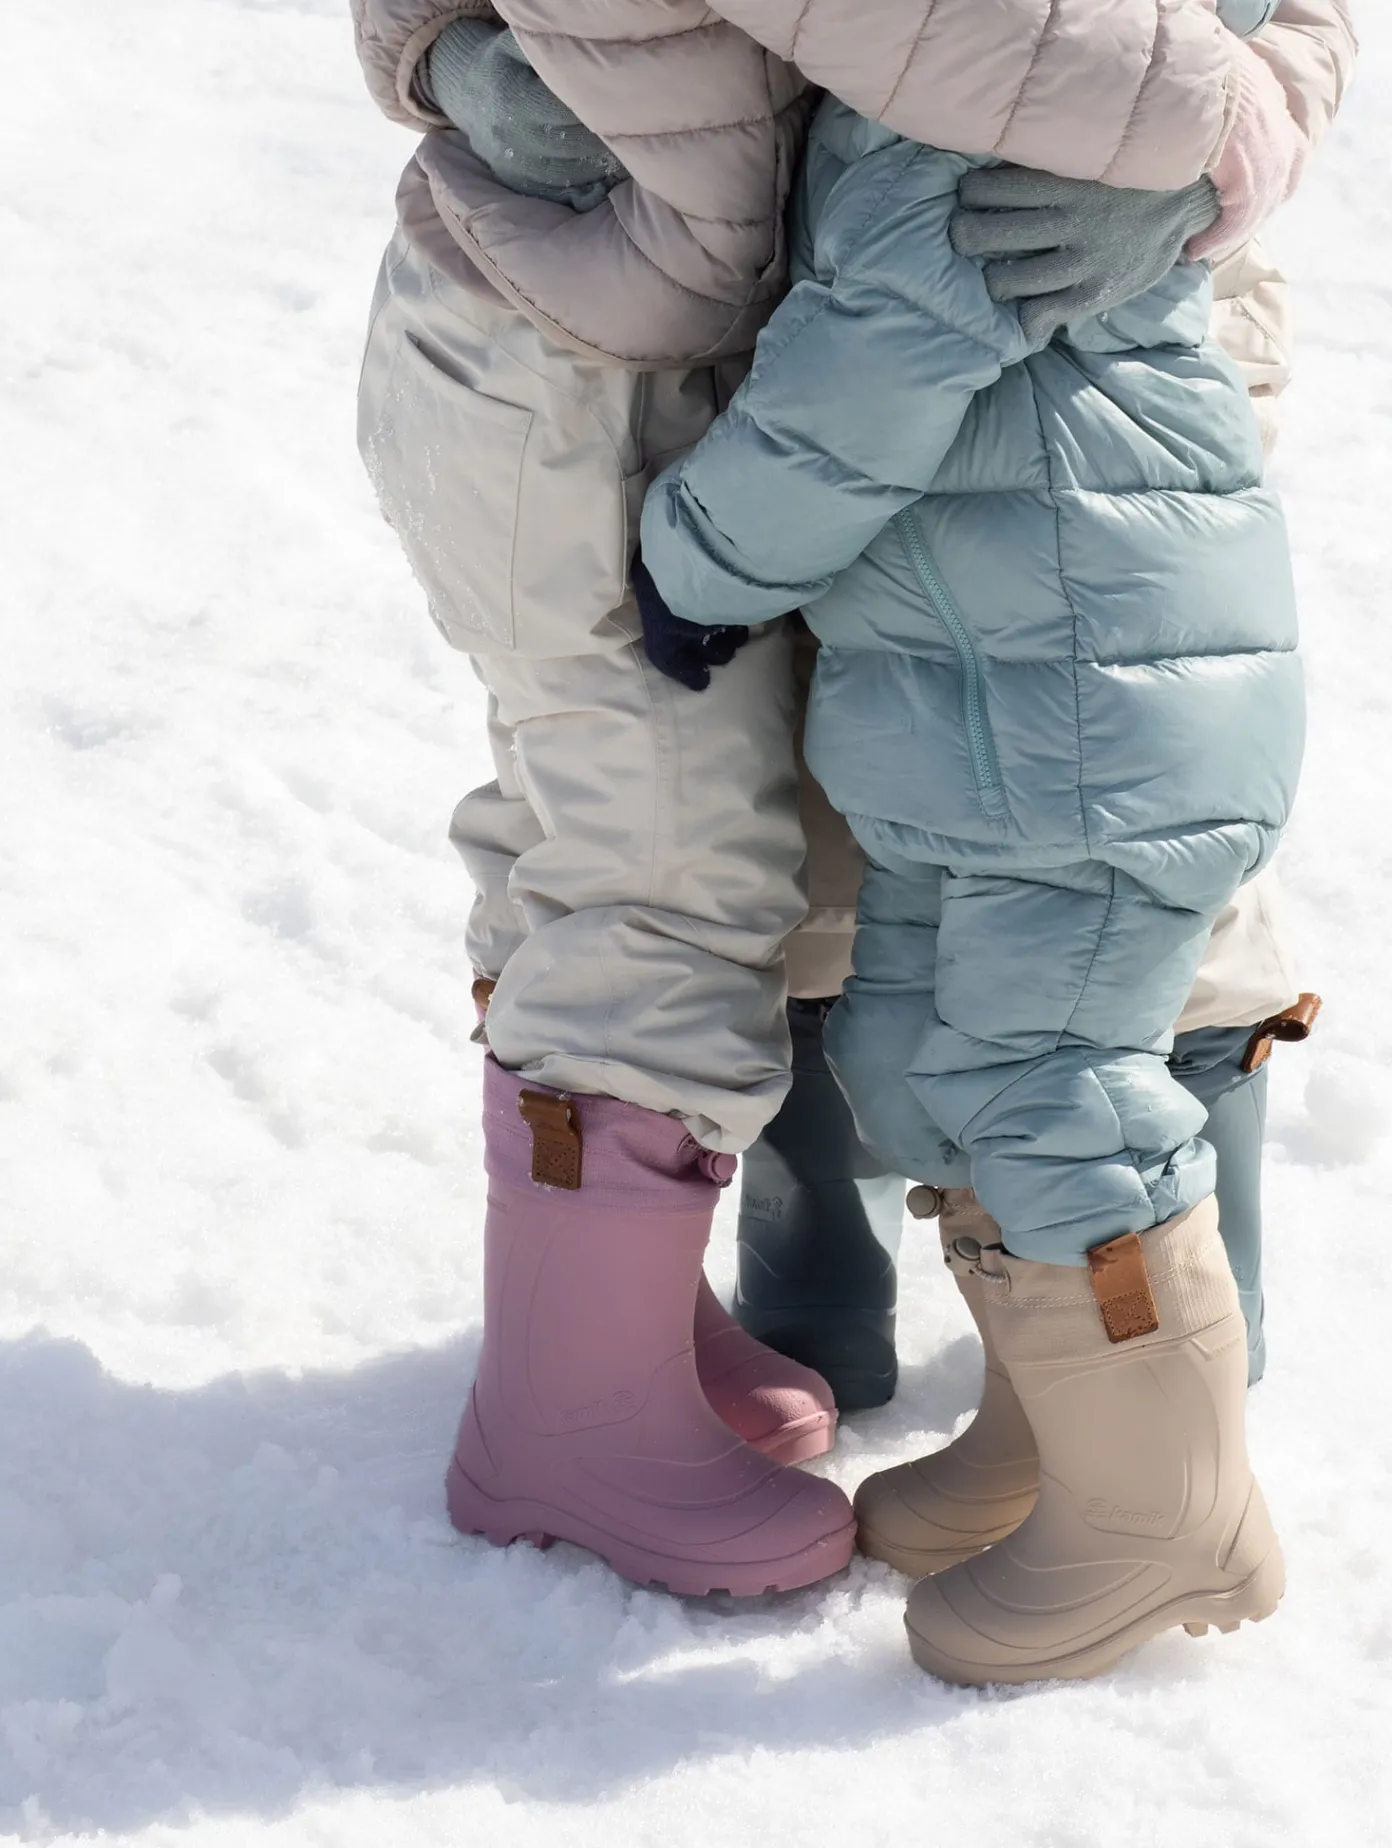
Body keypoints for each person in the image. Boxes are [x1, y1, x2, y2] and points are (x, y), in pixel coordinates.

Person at [351, 0, 1327, 1599]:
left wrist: (1215, 131)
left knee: (1043, 909)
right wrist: (444, 49)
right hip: (624, 334)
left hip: (955, 330)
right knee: (680, 853)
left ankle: (1111, 1438)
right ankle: (587, 1385)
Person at [635, 82, 1305, 1678]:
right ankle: (1056, 1432)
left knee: (1050, 1085)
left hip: (1085, 712)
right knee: (920, 1049)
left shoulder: (977, 82)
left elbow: (871, 369)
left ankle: (1167, 1510)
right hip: (1007, 705)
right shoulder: (991, 71)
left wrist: (701, 559)